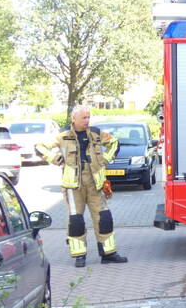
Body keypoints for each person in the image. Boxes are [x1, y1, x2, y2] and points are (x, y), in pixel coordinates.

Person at [35, 105, 126, 267]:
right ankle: (79, 255)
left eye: (88, 117)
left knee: (104, 219)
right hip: (73, 186)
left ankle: (108, 253)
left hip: (95, 185)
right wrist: (56, 160)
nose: (87, 120)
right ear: (74, 118)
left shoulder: (96, 134)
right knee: (76, 221)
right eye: (84, 117)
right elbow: (39, 147)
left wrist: (105, 160)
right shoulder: (62, 135)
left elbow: (114, 143)